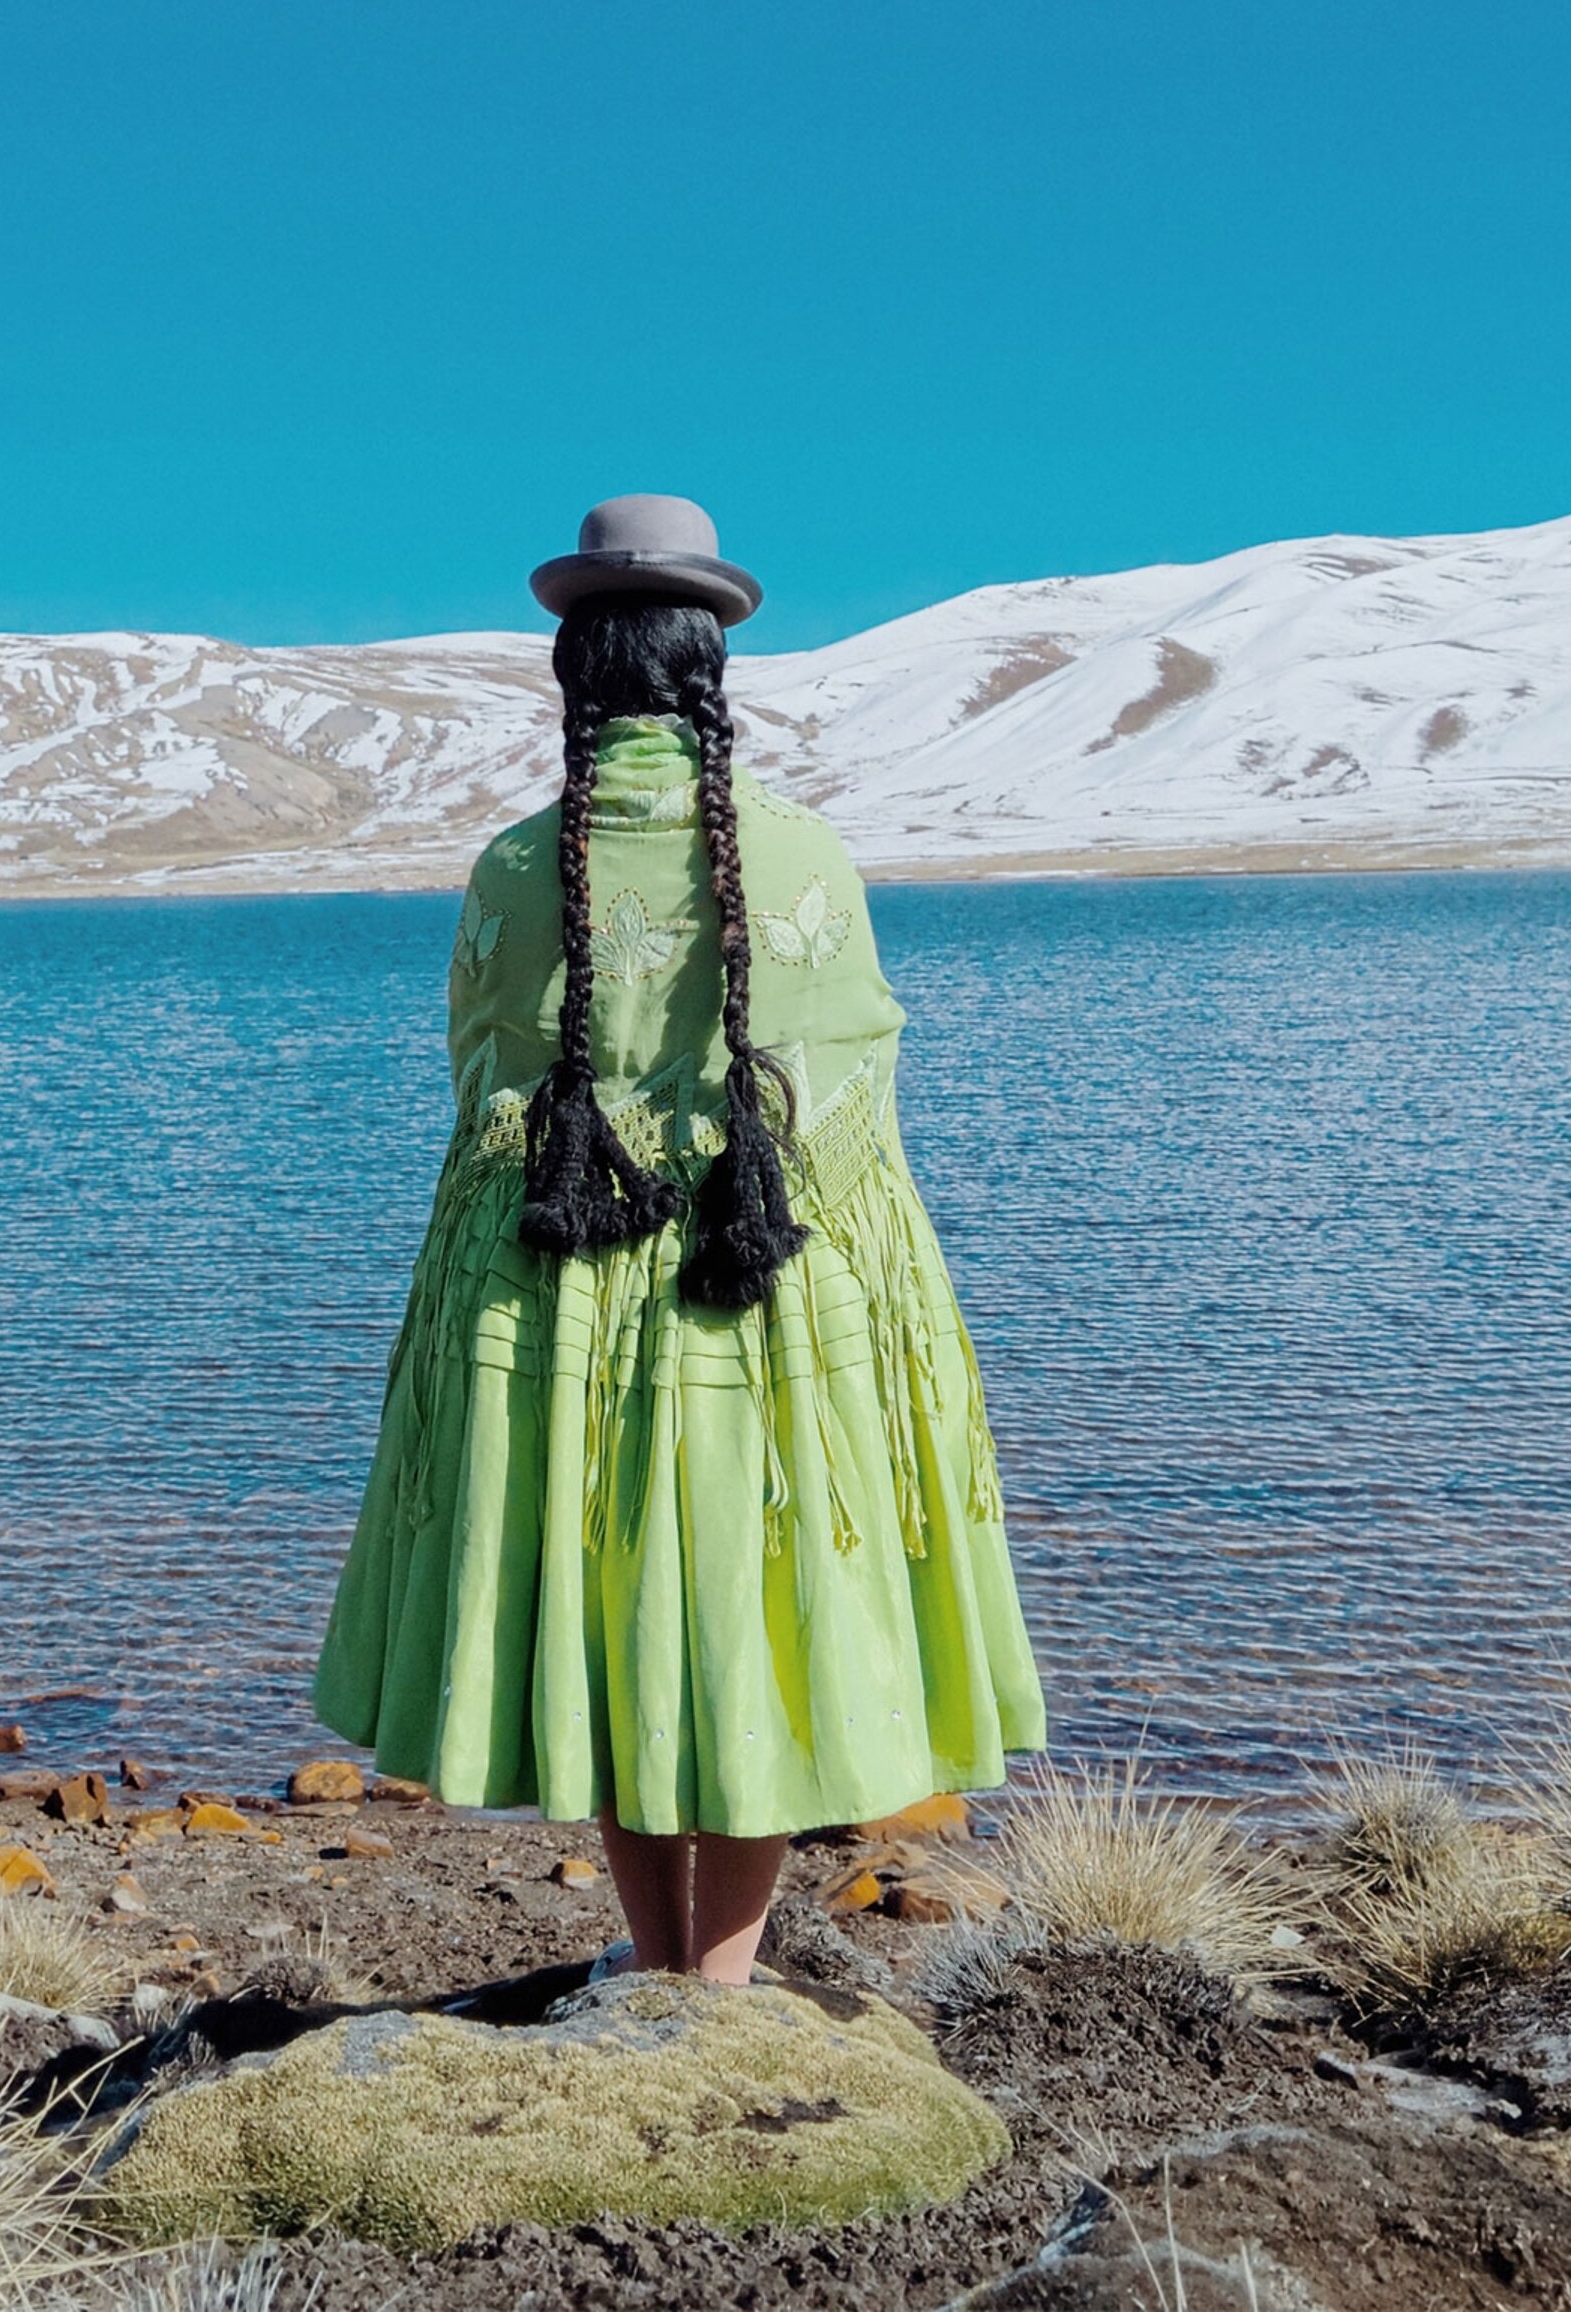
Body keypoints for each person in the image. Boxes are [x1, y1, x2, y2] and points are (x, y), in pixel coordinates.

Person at [314, 495, 1044, 1984]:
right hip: (761, 1284)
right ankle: (722, 1985)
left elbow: (484, 1082)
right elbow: (850, 1098)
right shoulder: (799, 856)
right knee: (749, 1609)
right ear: (708, 670)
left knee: (607, 1616)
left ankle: (657, 1971)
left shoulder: (515, 866)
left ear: (578, 673)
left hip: (551, 1296)